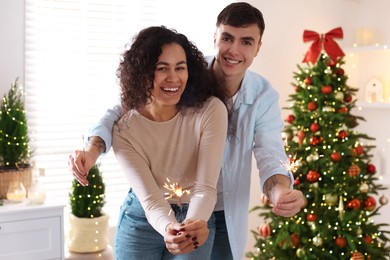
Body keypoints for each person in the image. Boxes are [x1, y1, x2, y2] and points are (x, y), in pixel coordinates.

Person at [69, 2, 306, 260]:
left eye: (247, 42)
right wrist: (93, 149)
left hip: (222, 211)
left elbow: (270, 153)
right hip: (157, 203)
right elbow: (124, 109)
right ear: (215, 37)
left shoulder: (263, 96)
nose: (234, 50)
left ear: (258, 47)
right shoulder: (184, 72)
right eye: (227, 38)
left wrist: (280, 191)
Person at [71, 25, 230, 259]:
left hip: (197, 216)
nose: (173, 78)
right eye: (161, 68)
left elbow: (205, 187)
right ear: (142, 73)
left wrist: (191, 225)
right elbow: (151, 199)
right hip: (141, 219)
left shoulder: (210, 111)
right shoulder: (125, 130)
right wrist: (169, 227)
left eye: (180, 68)